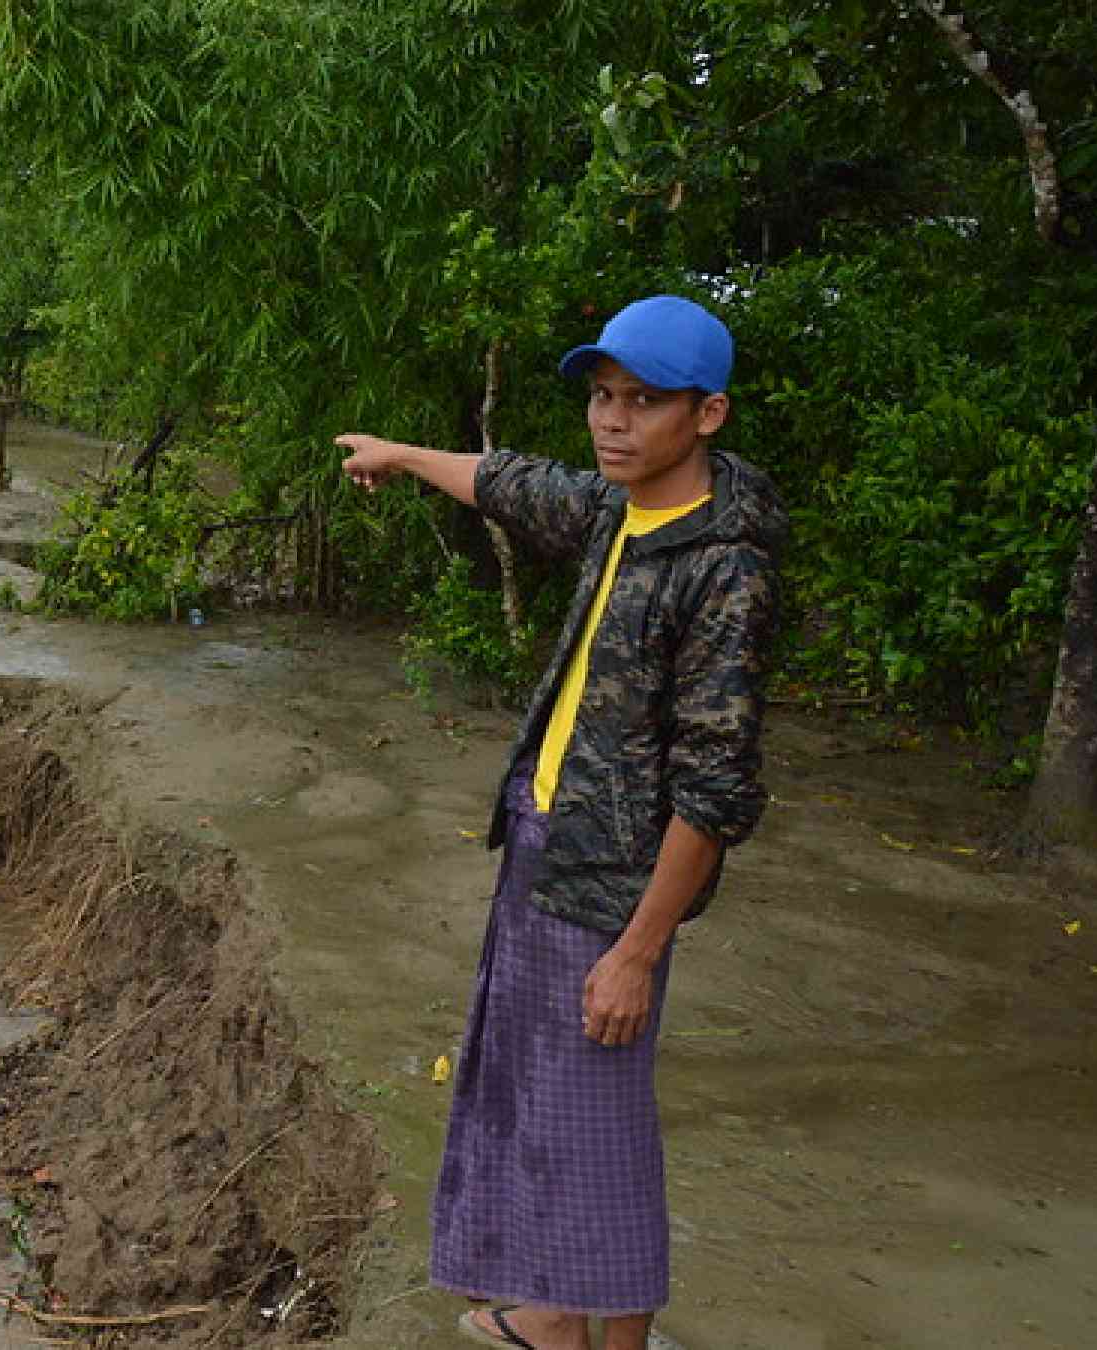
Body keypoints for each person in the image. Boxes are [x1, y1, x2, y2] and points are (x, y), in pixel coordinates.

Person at [335, 295, 786, 1350]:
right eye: (601, 396)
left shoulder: (725, 568)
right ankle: (546, 1311)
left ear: (708, 415)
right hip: (547, 839)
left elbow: (716, 790)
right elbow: (507, 482)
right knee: (535, 1092)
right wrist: (400, 454)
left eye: (644, 401)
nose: (613, 421)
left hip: (614, 881)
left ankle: (605, 1342)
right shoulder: (617, 514)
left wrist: (640, 946)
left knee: (600, 1126)